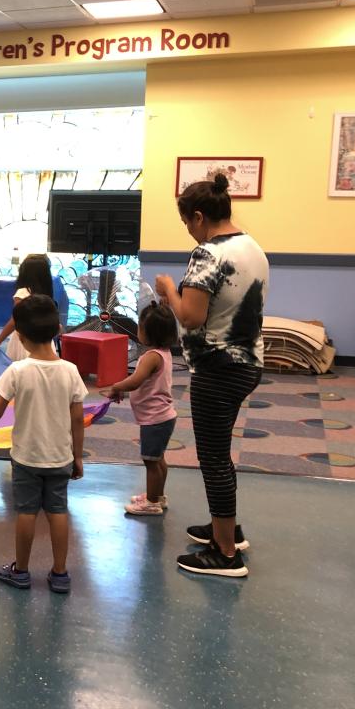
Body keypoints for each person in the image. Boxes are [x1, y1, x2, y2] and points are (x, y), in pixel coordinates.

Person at [155, 171, 268, 578]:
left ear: (199, 216)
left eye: (187, 222)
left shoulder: (208, 254)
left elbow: (190, 314)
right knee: (219, 455)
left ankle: (224, 554)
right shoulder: (250, 246)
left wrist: (169, 288)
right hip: (247, 362)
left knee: (214, 459)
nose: (189, 231)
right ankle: (227, 530)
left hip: (219, 370)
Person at [0, 295, 86, 594]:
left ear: (22, 338)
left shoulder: (17, 371)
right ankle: (60, 573)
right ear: (58, 332)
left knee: (26, 512)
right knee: (58, 512)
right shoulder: (71, 371)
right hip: (60, 458)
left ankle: (22, 571)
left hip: (26, 458)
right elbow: (77, 420)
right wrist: (77, 458)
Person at [100, 302, 178, 516]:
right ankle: (158, 496)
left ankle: (152, 502)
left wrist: (117, 386)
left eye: (140, 326)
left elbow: (136, 380)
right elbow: (145, 383)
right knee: (158, 459)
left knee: (151, 461)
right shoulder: (163, 352)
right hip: (163, 417)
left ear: (148, 333)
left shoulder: (151, 357)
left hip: (155, 419)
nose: (138, 329)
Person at [0, 254, 54, 360]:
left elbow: (15, 320)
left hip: (25, 340)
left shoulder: (23, 293)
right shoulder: (46, 294)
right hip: (43, 340)